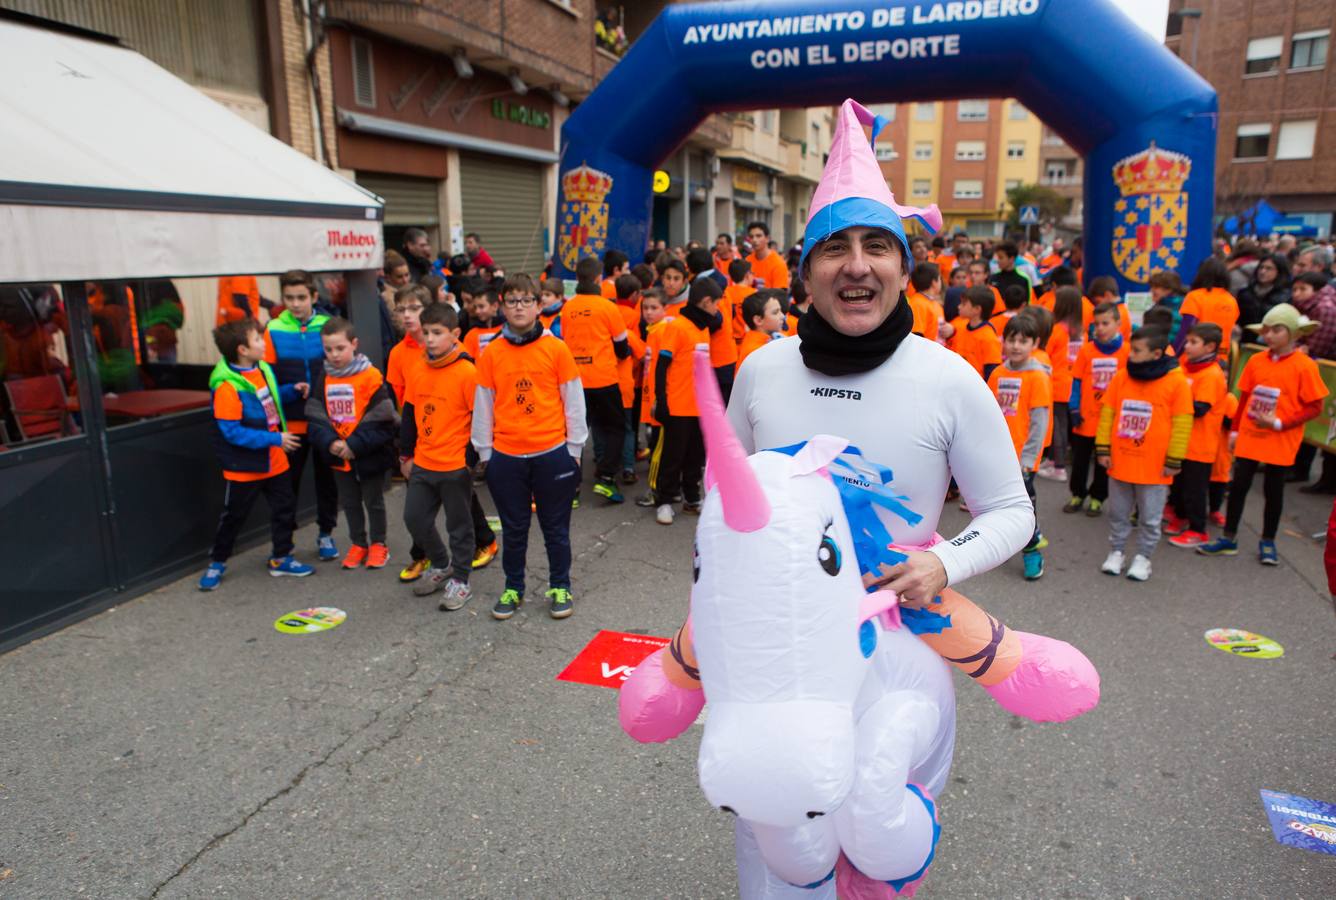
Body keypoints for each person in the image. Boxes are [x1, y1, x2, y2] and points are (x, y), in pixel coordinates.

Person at [728, 98, 1032, 632]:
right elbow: (724, 489)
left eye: (877, 246)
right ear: (806, 273)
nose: (857, 265)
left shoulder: (949, 378)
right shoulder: (760, 368)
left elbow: (1012, 509)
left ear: (902, 268)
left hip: (901, 646)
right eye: (833, 248)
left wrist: (943, 563)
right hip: (775, 629)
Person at [473, 275, 587, 621]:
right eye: (512, 301)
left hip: (552, 453)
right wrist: (486, 455)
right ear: (502, 307)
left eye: (526, 301)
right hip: (506, 457)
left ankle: (560, 585)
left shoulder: (556, 348)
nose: (519, 307)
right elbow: (483, 405)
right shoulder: (492, 352)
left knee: (555, 528)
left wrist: (575, 449)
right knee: (515, 528)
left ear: (540, 306)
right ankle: (514, 587)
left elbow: (574, 401)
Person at [1199, 304, 1328, 564]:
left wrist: (1280, 423)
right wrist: (1234, 430)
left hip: (1280, 439)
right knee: (1238, 487)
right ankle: (1229, 537)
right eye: (1266, 330)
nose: (1269, 335)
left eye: (1276, 330)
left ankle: (1268, 541)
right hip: (1249, 435)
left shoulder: (1305, 366)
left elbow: (1315, 406)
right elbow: (1244, 397)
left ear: (1293, 333)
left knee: (1273, 491)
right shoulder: (1256, 360)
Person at [198, 320, 312, 591]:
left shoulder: (261, 369)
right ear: (242, 349)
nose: (264, 343)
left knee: (284, 510)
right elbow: (232, 432)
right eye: (258, 340)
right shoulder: (227, 387)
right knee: (234, 516)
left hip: (276, 460)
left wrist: (291, 390)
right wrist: (276, 438)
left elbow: (268, 400)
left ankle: (281, 557)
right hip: (246, 467)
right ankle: (217, 562)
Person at [1094, 326, 1192, 582]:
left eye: (1137, 351)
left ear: (1156, 353)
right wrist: (1103, 448)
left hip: (1155, 466)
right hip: (1121, 461)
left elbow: (1183, 423)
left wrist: (1174, 459)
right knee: (1118, 513)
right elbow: (1108, 414)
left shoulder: (1176, 382)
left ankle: (1143, 557)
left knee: (1150, 518)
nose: (1131, 354)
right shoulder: (1122, 377)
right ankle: (1116, 552)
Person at [398, 303, 477, 608]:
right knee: (414, 518)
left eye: (437, 332)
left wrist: (469, 461)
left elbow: (480, 419)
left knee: (459, 526)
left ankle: (461, 580)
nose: (429, 339)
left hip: (455, 464)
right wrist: (405, 455)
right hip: (423, 461)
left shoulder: (467, 371)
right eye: (426, 332)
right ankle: (442, 564)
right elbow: (409, 414)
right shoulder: (418, 368)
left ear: (455, 334)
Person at [306, 319, 397, 570]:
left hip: (368, 454)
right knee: (349, 503)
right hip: (338, 455)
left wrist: (354, 445)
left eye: (340, 348)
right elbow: (315, 414)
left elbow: (382, 417)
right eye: (328, 349)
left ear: (354, 344)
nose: (334, 355)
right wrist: (331, 442)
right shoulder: (323, 376)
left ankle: (379, 544)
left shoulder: (370, 376)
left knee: (373, 501)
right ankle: (358, 543)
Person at [264, 270, 340, 561]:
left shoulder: (328, 325)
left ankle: (326, 534)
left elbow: (342, 368)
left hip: (324, 422)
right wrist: (289, 391)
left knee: (327, 482)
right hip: (291, 423)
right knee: (286, 487)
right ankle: (284, 544)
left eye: (301, 298)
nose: (295, 304)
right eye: (289, 298)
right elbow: (266, 381)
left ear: (314, 297)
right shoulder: (272, 329)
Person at [648, 277, 721, 525]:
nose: (717, 309)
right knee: (673, 456)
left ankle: (692, 498)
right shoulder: (677, 326)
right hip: (677, 406)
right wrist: (662, 401)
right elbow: (661, 366)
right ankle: (665, 501)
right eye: (716, 304)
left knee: (695, 457)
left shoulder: (702, 328)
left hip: (699, 407)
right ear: (706, 302)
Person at [988, 314, 1052, 581]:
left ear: (1035, 343)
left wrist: (1028, 459)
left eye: (1023, 341)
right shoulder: (998, 373)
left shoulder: (1037, 377)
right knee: (999, 506)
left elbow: (1040, 422)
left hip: (1022, 458)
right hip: (999, 455)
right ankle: (1006, 543)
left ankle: (1032, 550)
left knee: (1024, 508)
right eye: (1011, 339)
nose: (1016, 346)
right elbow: (988, 413)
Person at [563, 257, 632, 504]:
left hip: (574, 381)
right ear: (597, 279)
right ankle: (605, 479)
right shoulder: (607, 308)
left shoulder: (567, 307)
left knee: (575, 434)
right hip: (603, 378)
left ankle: (571, 489)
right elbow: (622, 346)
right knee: (615, 429)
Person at [1163, 323, 1228, 547]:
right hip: (1182, 442)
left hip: (1200, 445)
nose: (1187, 346)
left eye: (1193, 342)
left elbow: (1200, 408)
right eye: (1187, 341)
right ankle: (1180, 517)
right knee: (1179, 485)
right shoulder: (1186, 366)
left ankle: (1198, 529)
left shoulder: (1211, 374)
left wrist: (1174, 403)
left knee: (1195, 490)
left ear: (1209, 346)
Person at [1066, 302, 1128, 516]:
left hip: (1110, 420)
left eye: (1105, 323)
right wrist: (1073, 409)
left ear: (1118, 324)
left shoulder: (1127, 351)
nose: (1100, 328)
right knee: (1080, 461)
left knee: (1103, 463)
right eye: (1096, 324)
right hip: (1085, 417)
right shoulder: (1086, 350)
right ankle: (1078, 494)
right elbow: (1075, 382)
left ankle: (1097, 498)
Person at [1038, 286, 1080, 482]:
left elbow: (1046, 354)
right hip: (1071, 382)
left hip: (1056, 383)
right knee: (1062, 425)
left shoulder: (1056, 331)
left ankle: (1059, 466)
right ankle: (1056, 461)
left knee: (1057, 427)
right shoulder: (1079, 330)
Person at [613, 273, 648, 484]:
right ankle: (628, 462)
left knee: (607, 425)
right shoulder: (634, 316)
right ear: (635, 294)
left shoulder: (610, 311)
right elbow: (636, 347)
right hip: (630, 377)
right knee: (629, 425)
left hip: (607, 377)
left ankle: (608, 460)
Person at [947, 285, 1001, 379]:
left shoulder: (989, 338)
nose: (959, 306)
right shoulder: (961, 329)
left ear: (977, 309)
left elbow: (992, 372)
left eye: (964, 304)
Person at [1182, 256, 1240, 342]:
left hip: (1194, 352)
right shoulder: (1231, 300)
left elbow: (1186, 331)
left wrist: (1175, 353)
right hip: (1221, 353)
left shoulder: (1195, 296)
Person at [1236, 253, 1291, 330]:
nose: (1263, 271)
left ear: (1279, 272)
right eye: (1261, 267)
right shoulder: (1245, 293)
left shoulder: (1285, 296)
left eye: (1269, 268)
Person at [737, 289, 787, 371]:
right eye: (775, 312)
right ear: (758, 320)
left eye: (780, 311)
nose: (782, 316)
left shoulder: (767, 340)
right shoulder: (756, 351)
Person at [1148, 270, 1188, 353]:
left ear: (1168, 289)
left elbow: (1167, 338)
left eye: (1155, 287)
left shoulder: (1178, 309)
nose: (1151, 290)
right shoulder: (1160, 306)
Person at [744, 222, 790, 290]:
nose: (754, 240)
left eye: (758, 236)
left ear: (767, 238)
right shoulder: (747, 261)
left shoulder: (778, 263)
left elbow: (780, 295)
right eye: (751, 237)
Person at [462, 288, 504, 359]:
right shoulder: (471, 335)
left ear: (495, 306)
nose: (477, 311)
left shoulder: (509, 330)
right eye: (475, 307)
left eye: (481, 306)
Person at [906, 261, 942, 342]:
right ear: (934, 283)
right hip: (927, 352)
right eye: (940, 278)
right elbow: (916, 337)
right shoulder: (917, 304)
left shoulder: (935, 304)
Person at [1086, 276, 1130, 342]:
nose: (1096, 306)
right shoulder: (1121, 309)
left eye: (1098, 302)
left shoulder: (1119, 313)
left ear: (1108, 295)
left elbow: (1107, 338)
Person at [725, 258, 757, 342]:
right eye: (752, 273)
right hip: (746, 339)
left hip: (730, 339)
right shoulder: (754, 294)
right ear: (747, 275)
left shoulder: (725, 292)